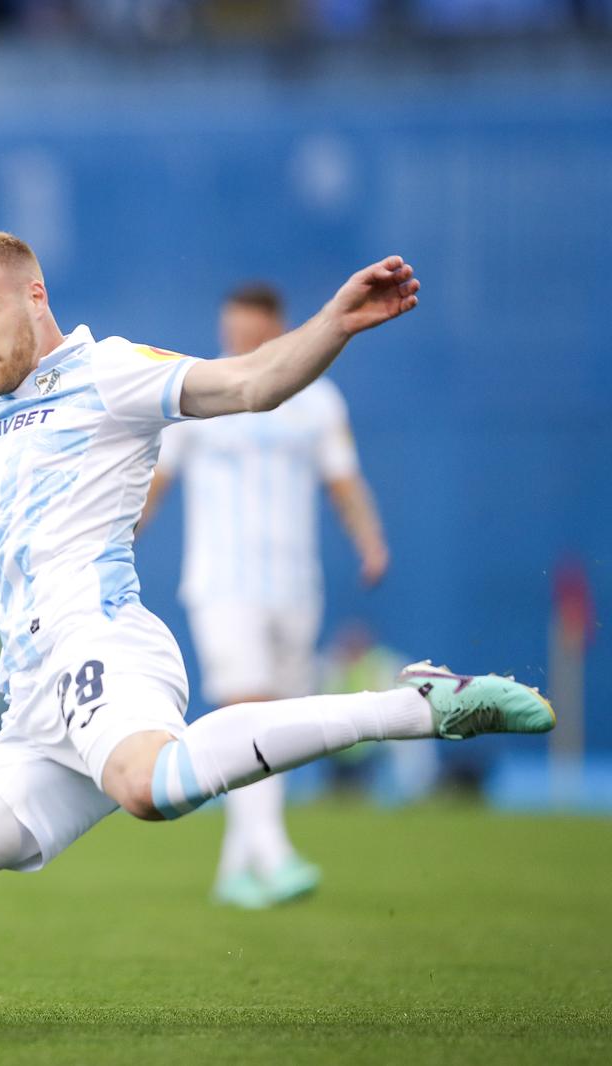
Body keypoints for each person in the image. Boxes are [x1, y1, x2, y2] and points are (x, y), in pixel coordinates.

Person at [0, 232, 553, 1033]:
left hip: (104, 646)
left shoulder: (111, 372)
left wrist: (331, 324)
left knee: (149, 788)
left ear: (36, 295)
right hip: (32, 714)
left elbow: (251, 383)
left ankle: (413, 706)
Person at [137, 282, 390, 909]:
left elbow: (343, 479)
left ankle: (235, 868)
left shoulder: (317, 399)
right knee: (247, 704)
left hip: (295, 584)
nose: (240, 346)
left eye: (251, 336)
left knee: (275, 723)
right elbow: (156, 481)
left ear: (277, 330)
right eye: (232, 335)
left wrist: (370, 540)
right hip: (222, 581)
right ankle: (273, 854)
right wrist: (117, 538)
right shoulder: (200, 393)